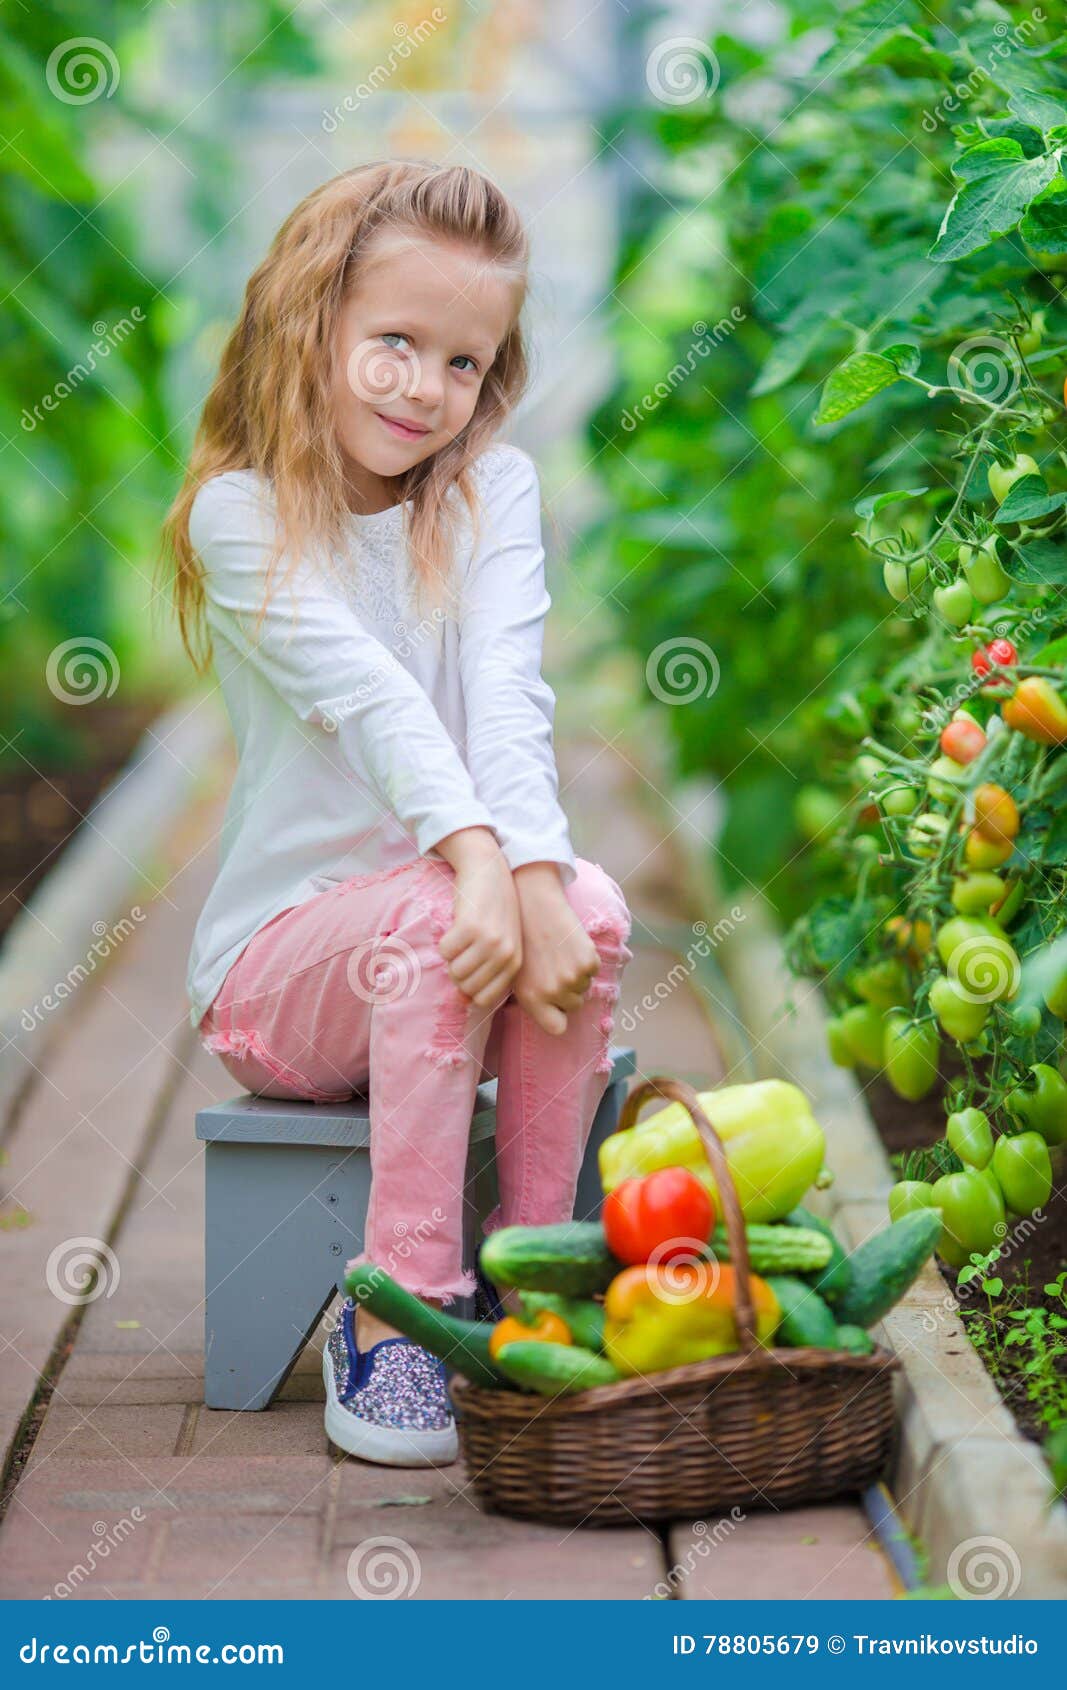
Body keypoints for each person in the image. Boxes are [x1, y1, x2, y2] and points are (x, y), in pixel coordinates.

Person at [162, 160, 633, 1467]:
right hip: (283, 975)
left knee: (589, 905)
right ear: (310, 321)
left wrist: (530, 876)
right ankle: (406, 1307)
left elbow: (505, 696)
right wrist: (480, 863)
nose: (427, 387)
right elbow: (377, 707)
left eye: (465, 363)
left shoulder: (492, 495)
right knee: (444, 911)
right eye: (395, 344)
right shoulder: (241, 516)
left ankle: (531, 1286)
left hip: (458, 933)